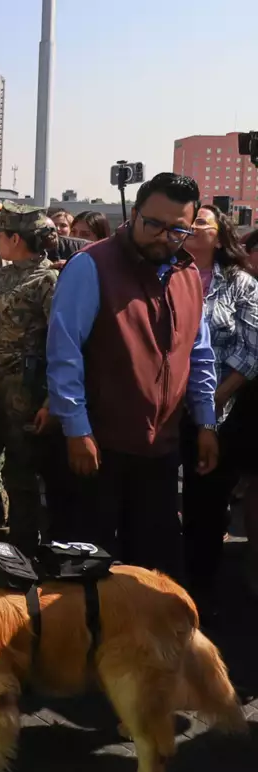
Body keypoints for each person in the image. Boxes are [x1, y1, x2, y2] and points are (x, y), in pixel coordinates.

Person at [48, 172, 218, 579]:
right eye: (154, 224)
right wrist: (76, 430)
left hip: (161, 450)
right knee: (88, 571)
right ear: (135, 212)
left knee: (155, 571)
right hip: (98, 447)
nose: (163, 236)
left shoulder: (188, 276)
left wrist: (207, 420)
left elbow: (199, 353)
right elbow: (64, 353)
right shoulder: (92, 266)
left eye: (177, 228)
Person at [179, 204, 258, 610]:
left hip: (219, 413)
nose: (191, 229)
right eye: (187, 223)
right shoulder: (168, 274)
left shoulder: (241, 283)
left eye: (201, 223)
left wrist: (216, 397)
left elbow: (251, 350)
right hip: (166, 409)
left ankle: (201, 591)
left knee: (205, 504)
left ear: (219, 234)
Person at [0, 204, 61, 552]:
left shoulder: (48, 280)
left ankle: (25, 551)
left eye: (0, 236)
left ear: (16, 238)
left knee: (22, 475)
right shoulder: (1, 275)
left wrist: (50, 401)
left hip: (26, 394)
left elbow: (62, 344)